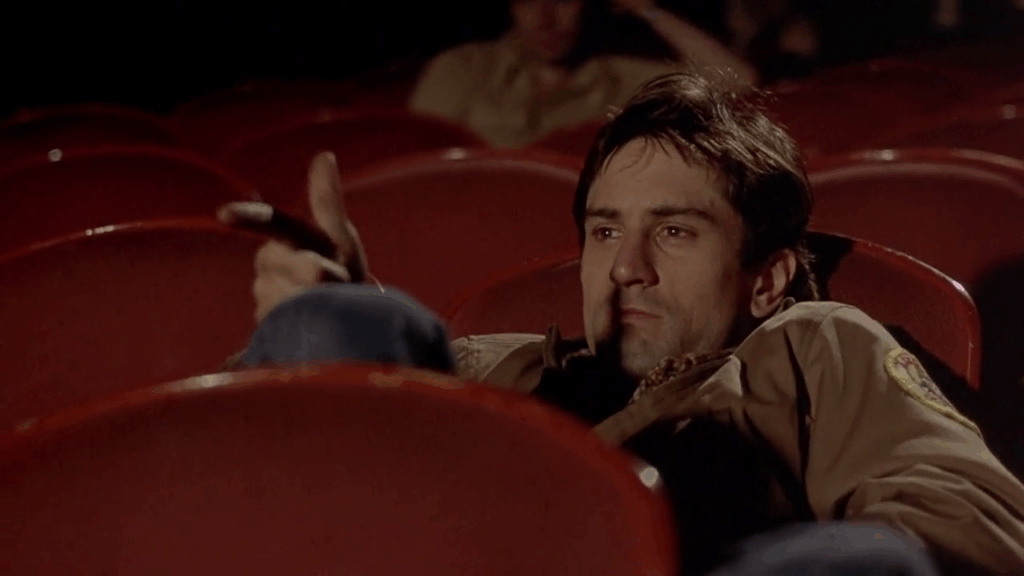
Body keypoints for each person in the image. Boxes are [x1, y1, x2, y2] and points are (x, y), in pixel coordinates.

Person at [219, 72, 1024, 575]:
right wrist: (340, 344)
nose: (625, 267)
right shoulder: (501, 365)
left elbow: (966, 524)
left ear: (767, 278)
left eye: (674, 231)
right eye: (605, 231)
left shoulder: (819, 345)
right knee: (342, 325)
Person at [408, 0, 757, 148]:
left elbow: (739, 81)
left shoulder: (622, 75)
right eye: (528, 1)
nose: (544, 19)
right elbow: (420, 160)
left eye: (564, 0)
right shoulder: (463, 68)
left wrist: (645, 9)